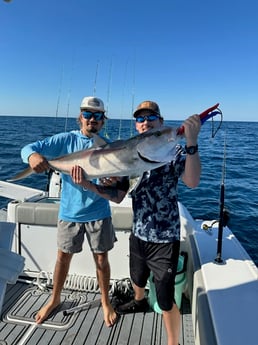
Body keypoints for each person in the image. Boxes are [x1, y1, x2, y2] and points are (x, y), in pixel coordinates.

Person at [21, 96, 129, 327]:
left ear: (103, 121)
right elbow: (28, 148)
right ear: (80, 117)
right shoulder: (65, 140)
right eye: (87, 114)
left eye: (97, 115)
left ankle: (105, 301)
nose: (92, 119)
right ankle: (55, 298)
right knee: (63, 257)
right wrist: (33, 157)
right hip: (69, 212)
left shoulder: (110, 146)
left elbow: (116, 182)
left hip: (99, 212)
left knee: (102, 259)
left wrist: (110, 181)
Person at [116, 101, 201, 345]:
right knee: (137, 276)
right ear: (136, 126)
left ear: (161, 122)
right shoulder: (129, 153)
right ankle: (139, 300)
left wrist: (192, 143)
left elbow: (192, 181)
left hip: (165, 238)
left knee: (165, 299)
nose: (145, 122)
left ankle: (172, 342)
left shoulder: (174, 153)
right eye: (140, 119)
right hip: (138, 231)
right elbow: (119, 188)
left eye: (151, 117)